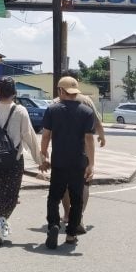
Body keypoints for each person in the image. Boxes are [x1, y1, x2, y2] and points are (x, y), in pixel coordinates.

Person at [0, 77, 44, 244]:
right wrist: (39, 160)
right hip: (14, 161)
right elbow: (29, 136)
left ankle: (0, 222)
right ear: (13, 92)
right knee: (11, 194)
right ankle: (0, 222)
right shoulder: (21, 110)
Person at [39, 76, 97, 249]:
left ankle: (54, 226)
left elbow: (46, 135)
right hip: (78, 162)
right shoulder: (87, 112)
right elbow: (89, 140)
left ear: (60, 91)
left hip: (59, 162)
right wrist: (91, 164)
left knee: (53, 198)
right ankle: (71, 234)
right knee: (77, 199)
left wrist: (44, 155)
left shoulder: (52, 110)